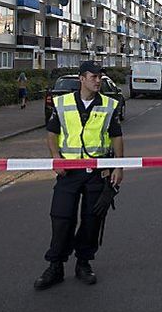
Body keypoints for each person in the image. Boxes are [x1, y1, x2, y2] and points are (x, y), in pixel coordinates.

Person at [34, 61, 124, 290]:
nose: (97, 81)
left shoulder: (109, 105)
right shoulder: (62, 103)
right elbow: (52, 133)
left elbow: (117, 137)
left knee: (93, 219)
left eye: (99, 77)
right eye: (93, 77)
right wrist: (56, 157)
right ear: (81, 79)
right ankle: (55, 265)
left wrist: (118, 167)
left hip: (97, 172)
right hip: (69, 171)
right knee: (61, 217)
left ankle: (83, 263)